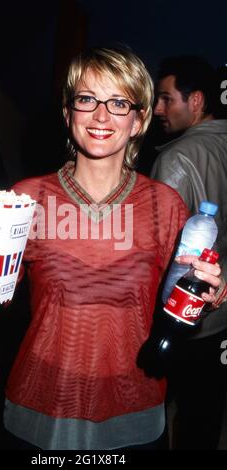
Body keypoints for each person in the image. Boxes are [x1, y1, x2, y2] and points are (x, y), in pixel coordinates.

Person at [0, 47, 224, 450]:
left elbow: (181, 301)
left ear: (139, 119)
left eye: (119, 102)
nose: (102, 115)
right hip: (40, 400)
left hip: (134, 402)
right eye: (87, 99)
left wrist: (210, 289)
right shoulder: (26, 198)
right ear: (68, 110)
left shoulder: (166, 204)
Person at [150, 55, 227, 449]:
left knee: (155, 410)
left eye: (166, 99)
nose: (157, 110)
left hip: (187, 318)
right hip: (222, 314)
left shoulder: (175, 158)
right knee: (206, 414)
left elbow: (160, 256)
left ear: (195, 100)